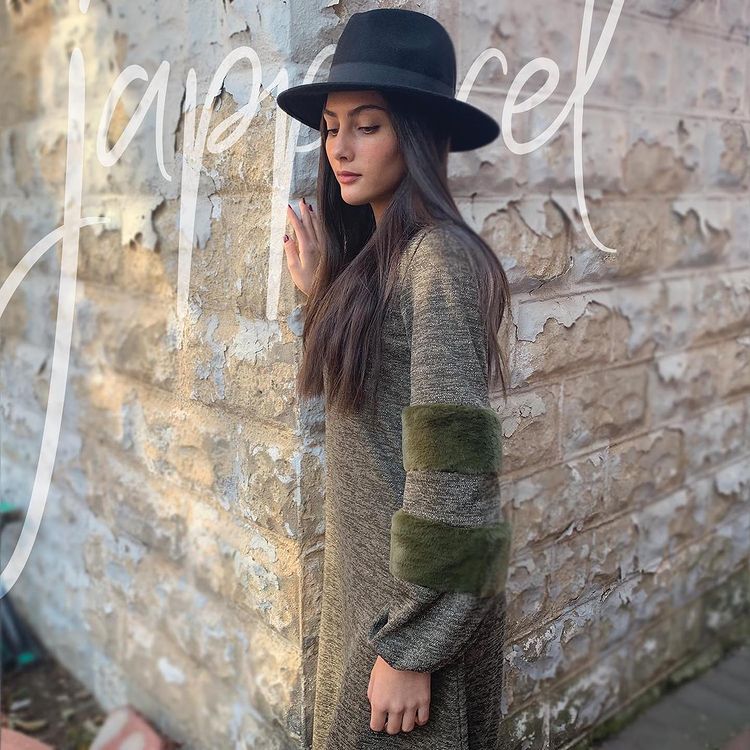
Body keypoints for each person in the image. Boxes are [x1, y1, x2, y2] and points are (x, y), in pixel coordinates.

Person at [276, 8, 513, 749]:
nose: (339, 148)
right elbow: (376, 407)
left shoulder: (435, 260)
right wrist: (325, 297)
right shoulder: (382, 257)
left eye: (368, 126)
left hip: (408, 622)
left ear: (415, 133)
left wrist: (411, 649)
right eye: (331, 127)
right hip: (373, 594)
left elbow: (457, 477)